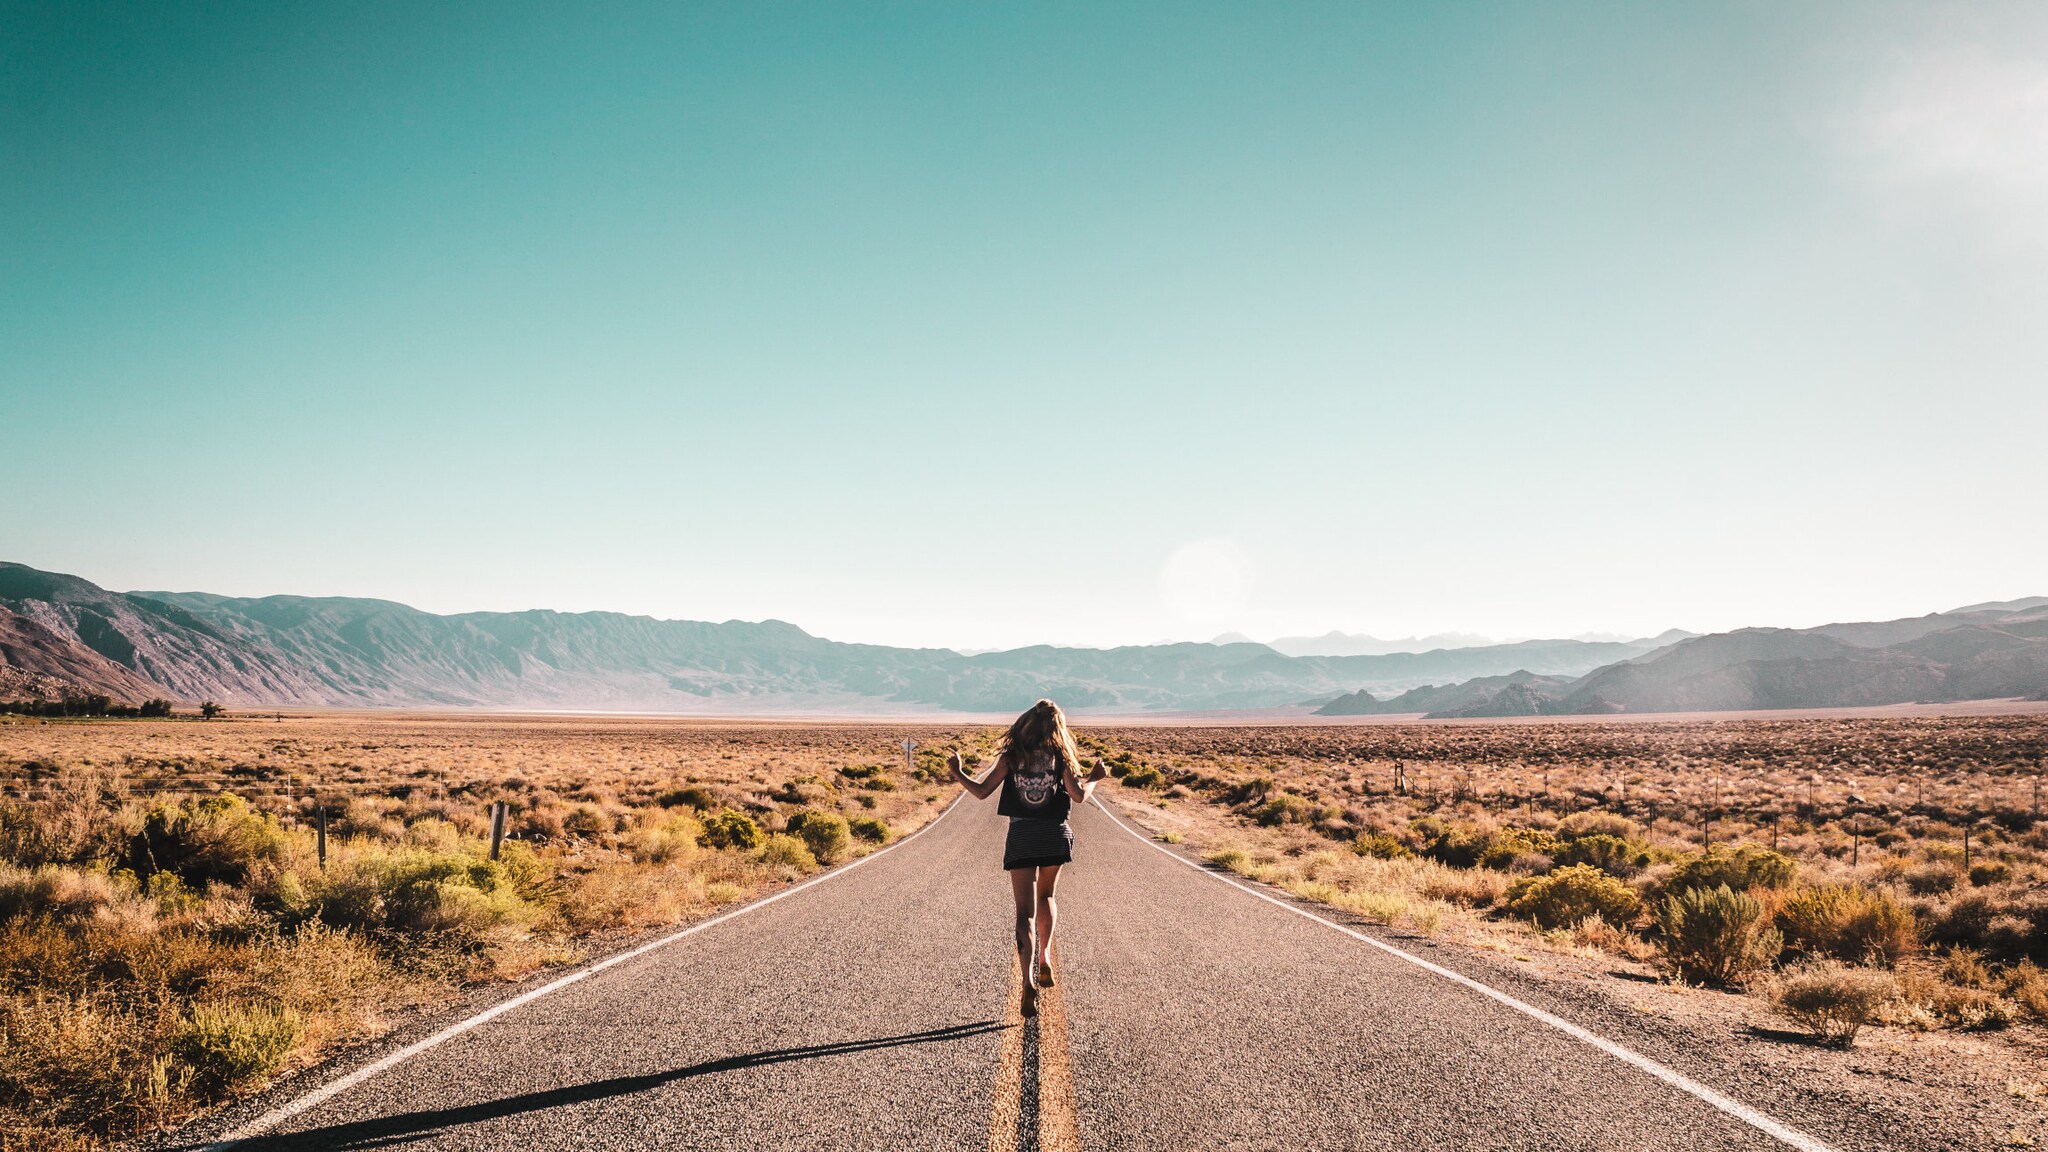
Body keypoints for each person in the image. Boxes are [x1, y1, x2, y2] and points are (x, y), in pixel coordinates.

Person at [949, 699, 1106, 1018]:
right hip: (1054, 834)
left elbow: (981, 792)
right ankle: (1045, 957)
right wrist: (1095, 777)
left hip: (1022, 835)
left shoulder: (1011, 757)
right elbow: (1078, 795)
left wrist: (958, 772)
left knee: (1024, 913)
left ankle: (1027, 980)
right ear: (1057, 727)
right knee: (1047, 895)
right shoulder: (1060, 756)